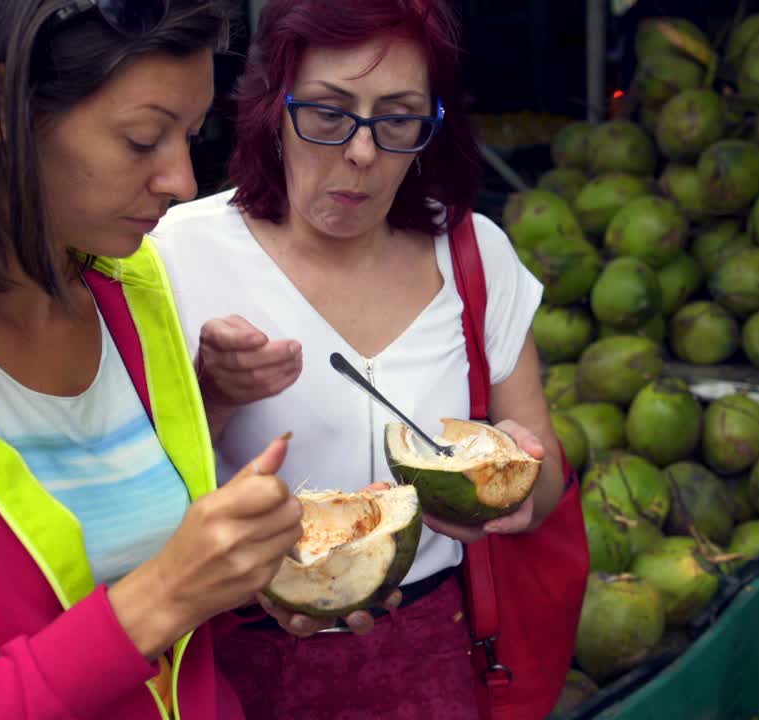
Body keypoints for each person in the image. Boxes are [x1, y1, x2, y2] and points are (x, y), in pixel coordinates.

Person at [0, 1, 312, 718]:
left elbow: (130, 551)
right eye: (142, 139)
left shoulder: (129, 286)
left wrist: (248, 578)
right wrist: (168, 593)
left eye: (190, 137)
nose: (183, 181)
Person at [151, 0, 573, 717]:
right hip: (235, 656)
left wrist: (513, 487)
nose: (362, 153)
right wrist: (211, 396)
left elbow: (550, 477)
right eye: (328, 112)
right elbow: (124, 504)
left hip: (435, 652)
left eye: (398, 118)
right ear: (272, 109)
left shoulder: (475, 256)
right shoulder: (169, 255)